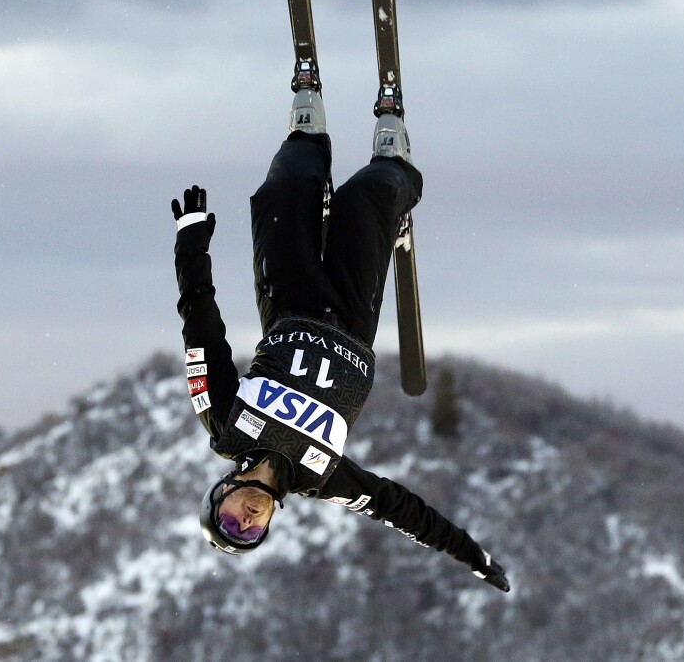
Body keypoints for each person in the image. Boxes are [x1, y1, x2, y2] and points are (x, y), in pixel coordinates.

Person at [171, 80, 510, 592]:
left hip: (290, 302)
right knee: (369, 195)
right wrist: (473, 555)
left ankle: (306, 129)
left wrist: (191, 246)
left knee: (285, 188)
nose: (248, 519)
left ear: (221, 494)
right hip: (353, 316)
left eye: (232, 520)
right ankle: (394, 167)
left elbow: (201, 331)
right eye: (252, 531)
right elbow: (402, 510)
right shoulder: (321, 477)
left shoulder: (226, 426)